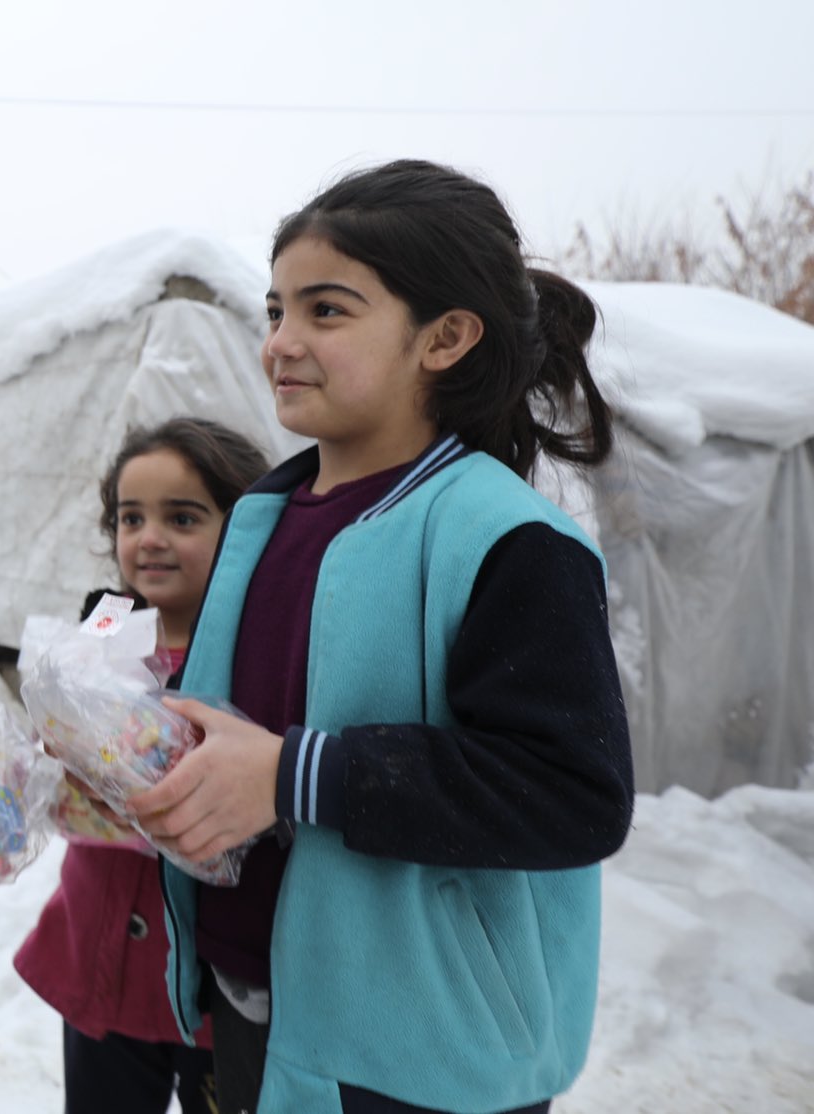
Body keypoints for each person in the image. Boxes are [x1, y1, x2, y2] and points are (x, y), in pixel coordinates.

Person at [127, 159, 636, 1114]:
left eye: (327, 311)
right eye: (275, 310)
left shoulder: (508, 540)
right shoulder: (266, 517)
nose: (282, 341)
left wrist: (291, 777)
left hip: (419, 1061)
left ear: (443, 338)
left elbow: (575, 793)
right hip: (258, 1021)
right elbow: (250, 725)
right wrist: (128, 749)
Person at [14, 417, 268, 1114]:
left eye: (181, 517)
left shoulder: (259, 655)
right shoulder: (91, 645)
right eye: (131, 518)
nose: (148, 538)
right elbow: (58, 770)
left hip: (215, 986)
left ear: (242, 527)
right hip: (102, 963)